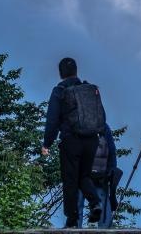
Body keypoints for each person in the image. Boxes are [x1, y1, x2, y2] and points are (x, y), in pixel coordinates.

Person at [42, 57, 104, 228]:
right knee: (83, 176)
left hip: (71, 140)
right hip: (92, 139)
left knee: (70, 180)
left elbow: (52, 119)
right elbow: (101, 116)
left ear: (61, 73)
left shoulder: (59, 90)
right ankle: (95, 203)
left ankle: (72, 220)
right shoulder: (89, 89)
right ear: (76, 71)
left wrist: (47, 143)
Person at [77, 123, 121, 228]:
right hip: (98, 175)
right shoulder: (103, 126)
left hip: (88, 175)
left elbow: (111, 151)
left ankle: (73, 229)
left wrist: (112, 170)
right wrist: (111, 169)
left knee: (77, 205)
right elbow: (111, 151)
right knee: (101, 205)